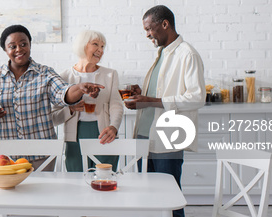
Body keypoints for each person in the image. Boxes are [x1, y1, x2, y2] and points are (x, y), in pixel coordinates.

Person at [0, 24, 104, 170]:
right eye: (12, 46)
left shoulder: (45, 73)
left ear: (30, 45)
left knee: (45, 192)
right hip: (7, 157)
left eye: (23, 44)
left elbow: (63, 93)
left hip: (42, 155)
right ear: (5, 50)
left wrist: (79, 88)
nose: (19, 49)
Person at [126, 5, 205, 217]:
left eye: (149, 29)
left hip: (167, 138)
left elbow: (197, 98)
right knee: (149, 198)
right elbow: (161, 92)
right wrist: (142, 95)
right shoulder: (162, 53)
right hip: (145, 136)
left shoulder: (187, 54)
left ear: (164, 24)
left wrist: (151, 99)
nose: (147, 34)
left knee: (170, 199)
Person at [53, 30, 124, 172]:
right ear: (82, 45)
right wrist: (71, 109)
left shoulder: (110, 74)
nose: (100, 50)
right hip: (75, 135)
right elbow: (53, 117)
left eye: (103, 46)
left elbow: (116, 105)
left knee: (105, 180)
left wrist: (114, 127)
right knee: (77, 182)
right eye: (96, 45)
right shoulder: (63, 77)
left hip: (104, 132)